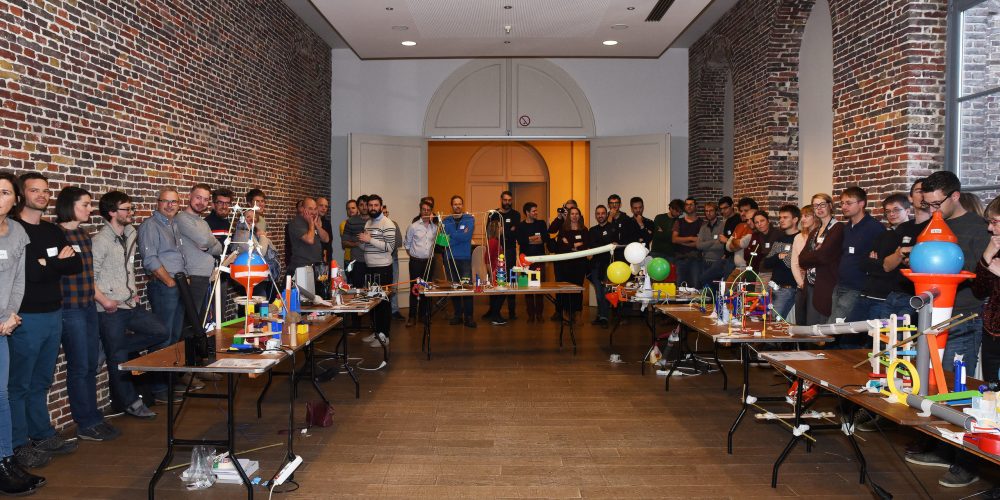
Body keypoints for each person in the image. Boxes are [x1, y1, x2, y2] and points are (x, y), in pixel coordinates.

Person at [905, 171, 990, 487]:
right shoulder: (933, 225)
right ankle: (941, 447)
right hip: (932, 319)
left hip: (963, 318)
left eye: (937, 204)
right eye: (927, 205)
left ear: (955, 196)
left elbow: (980, 278)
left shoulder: (978, 229)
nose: (933, 211)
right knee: (932, 386)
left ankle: (966, 462)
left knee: (957, 390)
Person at [11, 172, 82, 469]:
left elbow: (75, 264)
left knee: (41, 380)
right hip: (25, 316)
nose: (42, 195)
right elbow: (30, 273)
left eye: (45, 190)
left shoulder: (52, 229)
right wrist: (54, 263)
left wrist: (46, 264)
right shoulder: (13, 229)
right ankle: (18, 444)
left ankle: (41, 433)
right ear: (21, 195)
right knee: (19, 384)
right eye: (34, 190)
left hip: (54, 312)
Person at [55, 187, 121, 442]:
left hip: (87, 306)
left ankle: (94, 417)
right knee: (80, 365)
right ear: (69, 205)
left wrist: (100, 299)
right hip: (69, 308)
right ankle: (86, 422)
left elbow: (88, 276)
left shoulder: (82, 235)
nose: (90, 209)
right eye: (85, 204)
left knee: (90, 364)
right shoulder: (56, 234)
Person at [93, 191, 166, 421]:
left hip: (129, 303)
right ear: (112, 212)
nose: (131, 212)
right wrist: (104, 300)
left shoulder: (130, 234)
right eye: (127, 209)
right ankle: (131, 403)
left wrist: (132, 293)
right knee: (119, 359)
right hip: (109, 308)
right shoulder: (100, 241)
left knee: (160, 331)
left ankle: (112, 347)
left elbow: (127, 269)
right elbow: (89, 277)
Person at [0, 172, 44, 495]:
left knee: (1, 397)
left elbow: (18, 279)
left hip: (3, 325)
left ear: (15, 199)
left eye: (4, 193)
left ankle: (5, 460)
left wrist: (10, 315)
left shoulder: (17, 232)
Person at [138, 188, 191, 403]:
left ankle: (170, 381)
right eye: (166, 201)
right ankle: (159, 388)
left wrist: (183, 278)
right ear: (158, 203)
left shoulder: (173, 224)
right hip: (164, 286)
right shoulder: (150, 225)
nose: (170, 205)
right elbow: (150, 258)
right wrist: (169, 281)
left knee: (175, 336)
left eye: (174, 202)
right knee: (164, 337)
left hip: (178, 284)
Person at [849, 194, 915, 323]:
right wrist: (886, 263)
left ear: (907, 211)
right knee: (849, 330)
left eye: (896, 210)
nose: (892, 214)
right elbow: (864, 263)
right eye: (888, 211)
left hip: (887, 298)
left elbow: (898, 268)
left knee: (876, 334)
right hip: (867, 292)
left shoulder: (912, 235)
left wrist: (879, 263)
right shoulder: (883, 235)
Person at [828, 187, 885, 333]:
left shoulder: (874, 228)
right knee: (837, 329)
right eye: (842, 203)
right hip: (840, 284)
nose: (844, 207)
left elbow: (879, 259)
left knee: (833, 328)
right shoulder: (847, 227)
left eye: (848, 203)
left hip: (857, 287)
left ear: (861, 203)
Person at [174, 184, 223, 329]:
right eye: (198, 197)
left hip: (205, 277)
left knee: (200, 322)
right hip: (193, 276)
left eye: (205, 199)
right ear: (189, 196)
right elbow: (203, 240)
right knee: (191, 323)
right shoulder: (181, 218)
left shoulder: (203, 222)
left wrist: (208, 245)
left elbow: (219, 248)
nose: (201, 202)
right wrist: (210, 241)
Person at [797, 193, 843, 325]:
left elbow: (824, 256)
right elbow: (801, 260)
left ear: (830, 206)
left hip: (826, 284)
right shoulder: (814, 231)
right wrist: (816, 253)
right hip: (811, 284)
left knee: (821, 327)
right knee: (810, 325)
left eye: (822, 204)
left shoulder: (838, 228)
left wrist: (814, 254)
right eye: (815, 206)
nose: (819, 208)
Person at [357, 195, 396, 347]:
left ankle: (384, 335)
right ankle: (376, 332)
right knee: (374, 302)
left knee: (383, 303)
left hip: (383, 268)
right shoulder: (368, 222)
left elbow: (389, 247)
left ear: (381, 206)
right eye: (370, 205)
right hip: (370, 267)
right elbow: (366, 246)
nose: (373, 208)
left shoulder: (387, 223)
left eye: (376, 205)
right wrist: (361, 241)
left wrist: (369, 240)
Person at [975, 195, 1000, 382]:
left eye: (995, 222)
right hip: (992, 333)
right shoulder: (996, 247)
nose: (990, 228)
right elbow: (979, 290)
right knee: (991, 391)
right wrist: (986, 256)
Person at [442, 196, 475, 328]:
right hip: (450, 258)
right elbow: (443, 241)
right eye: (455, 204)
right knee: (454, 287)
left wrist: (452, 236)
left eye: (460, 203)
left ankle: (469, 317)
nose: (457, 206)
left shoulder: (469, 219)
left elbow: (467, 237)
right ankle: (457, 315)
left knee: (466, 287)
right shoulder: (445, 220)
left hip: (465, 258)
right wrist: (461, 236)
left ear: (462, 205)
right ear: (452, 205)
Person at [552, 207, 589, 321]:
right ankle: (566, 312)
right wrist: (575, 245)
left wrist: (569, 244)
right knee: (567, 288)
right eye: (572, 214)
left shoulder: (584, 230)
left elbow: (586, 245)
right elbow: (561, 247)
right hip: (566, 265)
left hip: (580, 264)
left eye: (577, 214)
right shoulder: (563, 229)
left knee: (578, 288)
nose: (574, 216)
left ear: (580, 216)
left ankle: (577, 312)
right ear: (569, 216)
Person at [764, 206, 800, 320]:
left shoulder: (800, 238)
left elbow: (792, 264)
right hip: (772, 286)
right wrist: (778, 256)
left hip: (787, 289)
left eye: (785, 217)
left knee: (774, 321)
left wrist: (780, 258)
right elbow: (766, 263)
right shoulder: (780, 238)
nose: (781, 220)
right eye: (780, 218)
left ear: (795, 219)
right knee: (764, 319)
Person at [404, 200, 436, 327]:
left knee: (426, 289)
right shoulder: (413, 226)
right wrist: (415, 256)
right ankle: (412, 317)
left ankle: (423, 315)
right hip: (416, 262)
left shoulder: (435, 227)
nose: (426, 212)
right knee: (415, 289)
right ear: (420, 210)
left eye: (428, 210)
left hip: (429, 262)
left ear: (431, 211)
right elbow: (407, 245)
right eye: (424, 209)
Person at [516, 202, 549, 322]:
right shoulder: (521, 226)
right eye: (534, 211)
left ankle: (539, 314)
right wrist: (534, 238)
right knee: (527, 288)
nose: (536, 213)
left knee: (539, 287)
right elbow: (521, 241)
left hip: (539, 260)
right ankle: (530, 314)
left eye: (536, 210)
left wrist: (529, 239)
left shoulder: (541, 223)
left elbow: (544, 238)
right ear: (527, 212)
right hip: (525, 261)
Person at [700, 196, 739, 288]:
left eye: (725, 208)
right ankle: (714, 295)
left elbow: (737, 241)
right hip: (726, 257)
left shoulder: (738, 220)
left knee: (726, 286)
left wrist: (726, 240)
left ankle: (720, 295)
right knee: (704, 278)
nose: (723, 211)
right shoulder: (727, 221)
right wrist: (725, 252)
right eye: (721, 209)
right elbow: (699, 245)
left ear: (732, 206)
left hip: (735, 258)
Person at [588, 205, 617, 326]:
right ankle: (600, 315)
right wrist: (605, 243)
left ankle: (604, 317)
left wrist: (601, 244)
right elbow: (592, 246)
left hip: (609, 265)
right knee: (598, 293)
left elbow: (614, 243)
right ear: (595, 215)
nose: (600, 215)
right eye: (598, 213)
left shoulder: (613, 228)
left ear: (606, 214)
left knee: (605, 292)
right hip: (595, 265)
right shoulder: (592, 230)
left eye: (603, 213)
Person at [287, 197, 329, 281]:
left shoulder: (313, 222)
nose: (313, 212)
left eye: (315, 209)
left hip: (317, 266)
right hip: (302, 267)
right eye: (310, 209)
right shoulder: (296, 222)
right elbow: (310, 240)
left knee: (320, 289)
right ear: (303, 209)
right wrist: (311, 224)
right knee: (305, 290)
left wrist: (316, 225)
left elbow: (326, 239)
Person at [495, 191, 520, 320]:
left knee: (511, 280)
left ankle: (512, 311)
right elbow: (491, 231)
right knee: (497, 280)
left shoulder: (516, 214)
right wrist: (508, 230)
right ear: (501, 200)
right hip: (496, 250)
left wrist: (502, 230)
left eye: (509, 200)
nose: (507, 202)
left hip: (510, 250)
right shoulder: (494, 214)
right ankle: (494, 311)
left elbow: (514, 233)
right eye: (505, 200)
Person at [790, 205, 816, 325]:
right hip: (801, 286)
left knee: (813, 322)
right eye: (802, 216)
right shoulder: (798, 237)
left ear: (815, 217)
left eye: (807, 216)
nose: (803, 219)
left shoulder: (822, 236)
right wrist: (801, 283)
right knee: (800, 320)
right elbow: (794, 263)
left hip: (817, 286)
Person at [380, 204, 405, 321]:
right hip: (379, 261)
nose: (384, 214)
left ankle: (394, 310)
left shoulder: (394, 224)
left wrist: (386, 248)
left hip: (393, 259)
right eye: (382, 213)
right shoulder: (375, 225)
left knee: (393, 286)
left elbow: (398, 242)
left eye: (386, 212)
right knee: (381, 286)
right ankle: (382, 310)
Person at [482, 220, 508, 326]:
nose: (502, 228)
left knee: (497, 295)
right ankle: (495, 316)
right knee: (502, 294)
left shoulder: (496, 241)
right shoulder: (493, 241)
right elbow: (487, 259)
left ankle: (496, 314)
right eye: (500, 227)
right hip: (495, 273)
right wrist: (492, 274)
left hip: (498, 272)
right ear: (496, 229)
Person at [672, 197, 703, 286]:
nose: (689, 206)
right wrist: (691, 238)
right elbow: (674, 239)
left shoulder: (702, 223)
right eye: (687, 204)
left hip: (695, 260)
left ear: (696, 206)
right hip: (680, 259)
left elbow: (699, 243)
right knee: (679, 286)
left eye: (691, 204)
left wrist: (681, 241)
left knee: (695, 285)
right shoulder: (678, 222)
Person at [725, 198, 758, 270]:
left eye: (746, 211)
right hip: (737, 267)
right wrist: (737, 243)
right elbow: (727, 246)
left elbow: (742, 243)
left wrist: (734, 241)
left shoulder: (755, 227)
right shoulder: (739, 226)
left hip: (748, 268)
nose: (742, 213)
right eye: (741, 211)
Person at [344, 195, 369, 289]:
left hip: (373, 262)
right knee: (357, 290)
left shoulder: (375, 220)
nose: (364, 207)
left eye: (366, 204)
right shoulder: (350, 221)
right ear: (358, 207)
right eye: (361, 205)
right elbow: (344, 242)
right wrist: (356, 244)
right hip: (357, 262)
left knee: (374, 291)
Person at [696, 202, 724, 282]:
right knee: (705, 285)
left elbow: (721, 246)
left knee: (715, 286)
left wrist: (705, 244)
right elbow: (699, 245)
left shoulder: (723, 225)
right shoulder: (703, 227)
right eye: (706, 211)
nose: (708, 213)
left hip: (718, 262)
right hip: (705, 262)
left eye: (711, 210)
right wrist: (714, 241)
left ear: (716, 211)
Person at [317, 196, 334, 262]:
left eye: (326, 206)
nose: (324, 208)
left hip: (326, 260)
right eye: (321, 205)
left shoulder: (327, 223)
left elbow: (329, 243)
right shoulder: (309, 222)